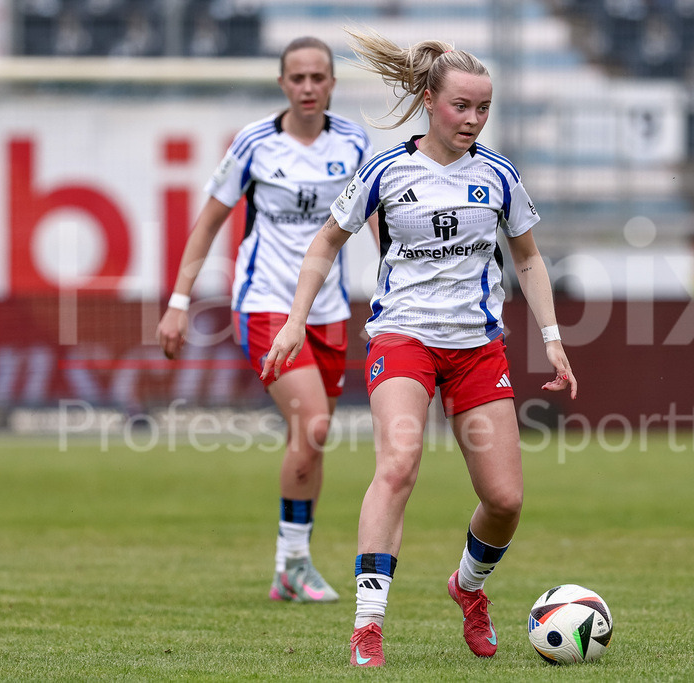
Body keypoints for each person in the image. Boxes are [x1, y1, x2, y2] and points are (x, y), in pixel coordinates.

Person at [260, 28, 578, 667]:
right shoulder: (385, 171)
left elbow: (530, 260)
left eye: (484, 108)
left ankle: (468, 587)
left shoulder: (498, 175)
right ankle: (368, 626)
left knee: (505, 501)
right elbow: (325, 243)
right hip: (402, 338)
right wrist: (295, 320)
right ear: (430, 100)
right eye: (463, 106)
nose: (474, 119)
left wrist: (553, 339)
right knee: (398, 465)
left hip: (476, 347)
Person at [157, 36, 376, 604]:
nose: (308, 87)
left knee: (311, 439)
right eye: (297, 78)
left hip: (328, 309)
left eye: (318, 78)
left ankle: (292, 567)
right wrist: (180, 302)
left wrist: (390, 281)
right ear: (282, 83)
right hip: (264, 303)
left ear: (332, 84)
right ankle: (292, 565)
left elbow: (373, 216)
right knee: (315, 428)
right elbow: (207, 223)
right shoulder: (254, 143)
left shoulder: (354, 141)